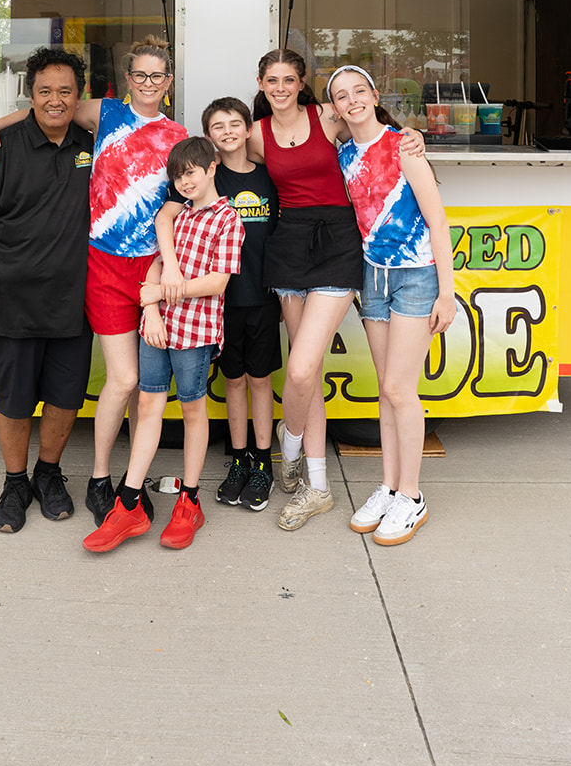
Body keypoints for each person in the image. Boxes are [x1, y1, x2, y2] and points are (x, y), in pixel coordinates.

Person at [0, 36, 186, 526]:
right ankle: (97, 478)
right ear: (127, 78)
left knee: (146, 387)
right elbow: (48, 109)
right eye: (140, 75)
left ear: (168, 82)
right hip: (105, 265)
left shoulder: (177, 135)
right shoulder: (106, 113)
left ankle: (130, 480)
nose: (148, 83)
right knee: (124, 378)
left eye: (158, 76)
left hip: (152, 268)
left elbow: (187, 193)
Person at [246, 49, 425, 531]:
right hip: (288, 245)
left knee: (301, 369)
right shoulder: (256, 135)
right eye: (271, 80)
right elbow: (213, 160)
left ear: (301, 82)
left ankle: (289, 439)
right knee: (308, 369)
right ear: (260, 84)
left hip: (339, 243)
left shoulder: (326, 116)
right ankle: (318, 485)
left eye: (289, 79)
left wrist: (413, 135)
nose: (280, 87)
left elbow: (372, 129)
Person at [82, 136, 244, 553]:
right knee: (149, 404)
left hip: (195, 332)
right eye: (178, 175)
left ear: (211, 168)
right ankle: (130, 501)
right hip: (158, 329)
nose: (184, 181)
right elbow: (155, 269)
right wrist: (151, 311)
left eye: (190, 172)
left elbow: (218, 282)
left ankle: (190, 500)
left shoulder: (228, 219)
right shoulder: (178, 217)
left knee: (192, 409)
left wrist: (163, 294)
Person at [0, 48, 95, 533]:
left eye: (64, 91)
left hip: (73, 304)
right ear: (30, 95)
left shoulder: (95, 144)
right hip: (8, 305)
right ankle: (16, 482)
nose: (54, 100)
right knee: (13, 401)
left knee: (65, 398)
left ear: (80, 96)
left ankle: (49, 474)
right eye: (44, 91)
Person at [327, 65, 456, 544]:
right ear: (335, 108)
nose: (352, 100)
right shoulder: (343, 154)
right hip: (372, 279)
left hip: (416, 277)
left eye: (359, 91)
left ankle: (413, 496)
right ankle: (389, 485)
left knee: (402, 390)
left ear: (374, 94)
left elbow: (437, 222)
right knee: (386, 389)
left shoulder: (403, 145)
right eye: (341, 96)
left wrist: (447, 291)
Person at [157, 97, 281, 510]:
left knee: (260, 379)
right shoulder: (207, 178)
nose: (227, 132)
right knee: (233, 381)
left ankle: (262, 463)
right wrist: (171, 271)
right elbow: (165, 218)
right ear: (208, 138)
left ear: (249, 129)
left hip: (261, 297)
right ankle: (239, 459)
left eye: (235, 124)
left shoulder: (269, 177)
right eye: (217, 126)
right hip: (218, 302)